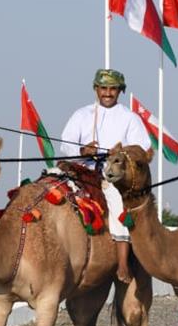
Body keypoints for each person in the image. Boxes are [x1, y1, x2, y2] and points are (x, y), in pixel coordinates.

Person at [60, 68, 149, 283]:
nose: (107, 93)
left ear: (120, 91)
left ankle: (122, 265)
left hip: (111, 178)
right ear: (96, 89)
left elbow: (142, 150)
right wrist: (82, 151)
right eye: (103, 88)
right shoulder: (81, 115)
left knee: (119, 206)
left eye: (112, 89)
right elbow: (65, 144)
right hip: (79, 172)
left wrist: (120, 154)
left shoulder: (129, 118)